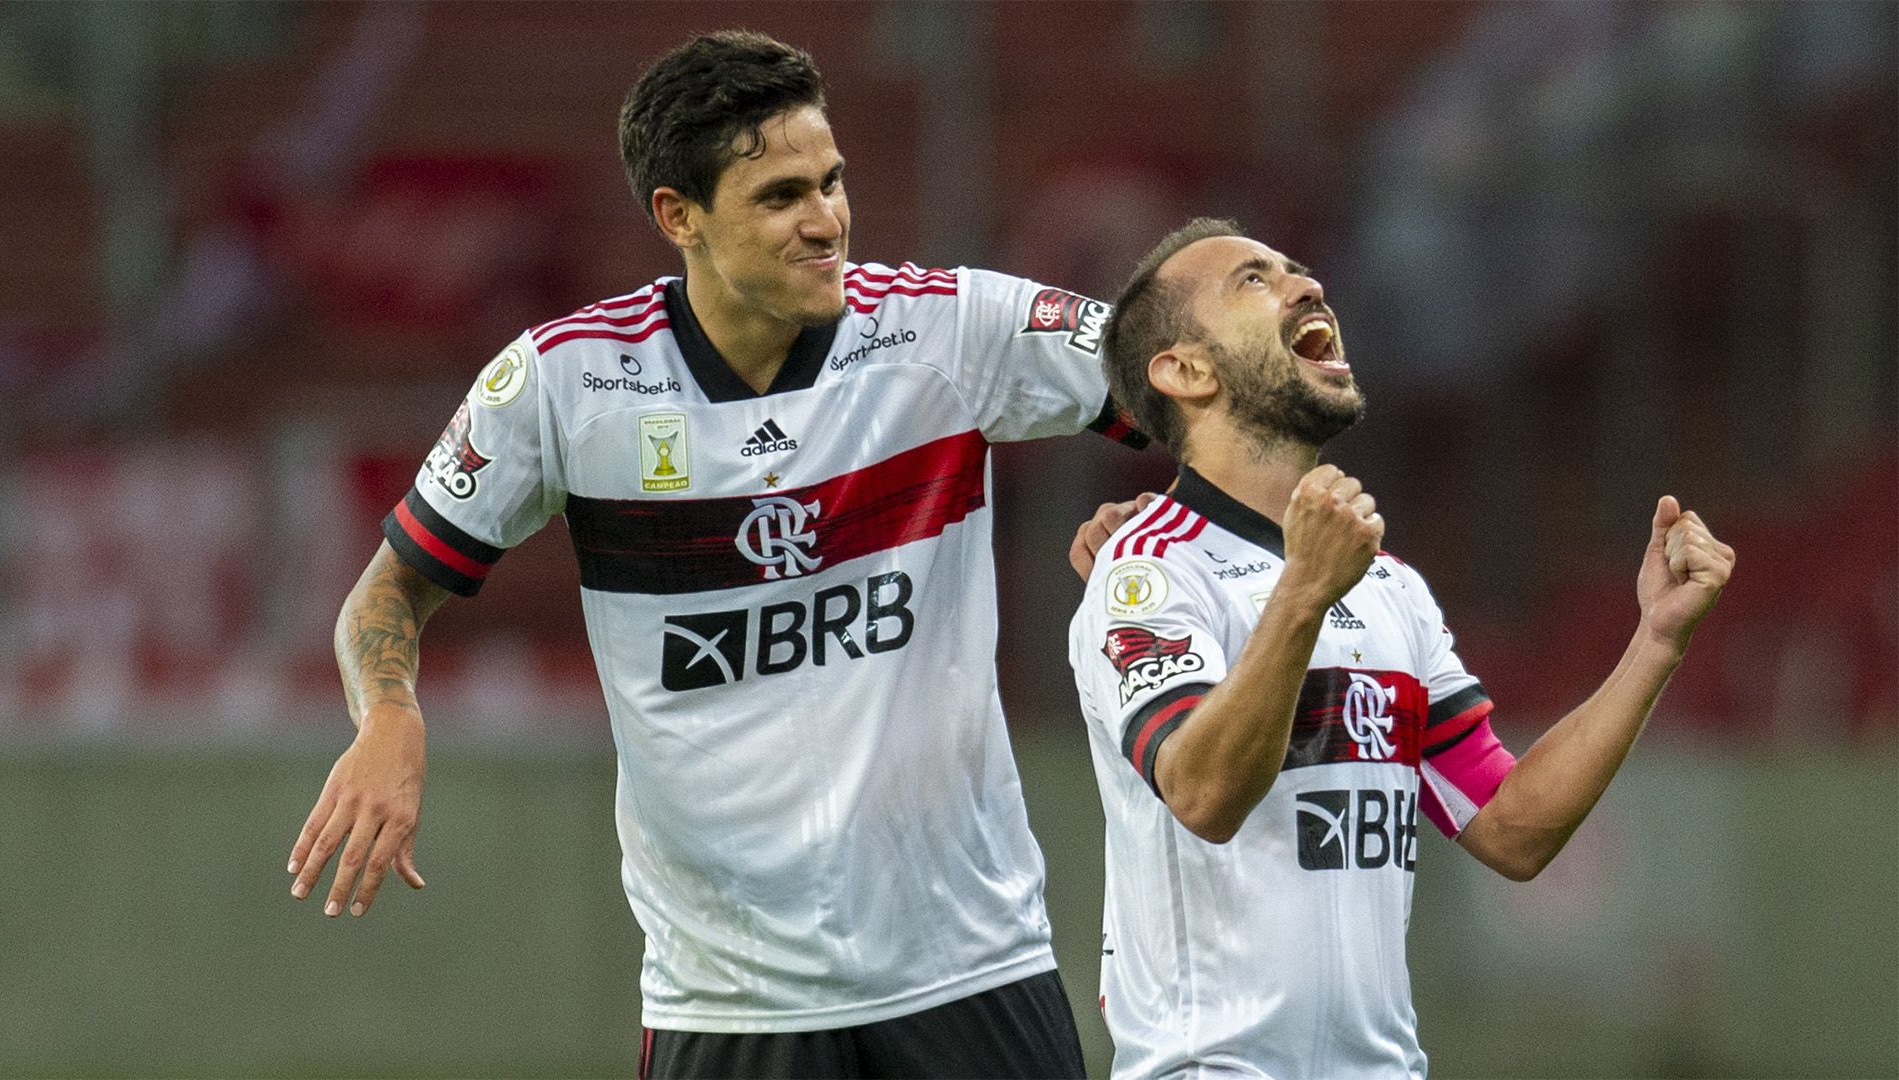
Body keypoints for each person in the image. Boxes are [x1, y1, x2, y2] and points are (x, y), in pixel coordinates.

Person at [284, 30, 1142, 1079]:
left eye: (832, 182)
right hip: (727, 1004)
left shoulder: (948, 333)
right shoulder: (563, 385)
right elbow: (387, 594)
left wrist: (1177, 531)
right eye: (781, 197)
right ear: (677, 217)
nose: (827, 221)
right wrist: (389, 716)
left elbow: (1197, 379)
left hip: (966, 972)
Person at [1067, 218, 1734, 1079]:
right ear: (1185, 371)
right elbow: (1203, 791)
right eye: (1254, 282)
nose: (1307, 287)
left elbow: (1510, 828)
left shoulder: (1388, 588)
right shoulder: (1149, 570)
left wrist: (1656, 642)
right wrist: (1305, 593)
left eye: (1302, 271)